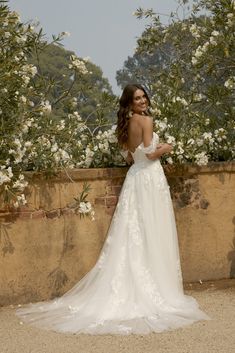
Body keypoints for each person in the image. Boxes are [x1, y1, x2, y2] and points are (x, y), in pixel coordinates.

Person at [16, 84, 210, 334]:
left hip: (135, 177)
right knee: (151, 230)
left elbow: (131, 157)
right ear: (129, 104)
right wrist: (168, 147)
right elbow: (150, 153)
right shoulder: (147, 120)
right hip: (149, 179)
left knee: (133, 232)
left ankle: (142, 281)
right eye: (137, 98)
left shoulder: (128, 124)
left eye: (143, 97)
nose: (142, 101)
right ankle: (158, 288)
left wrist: (147, 153)